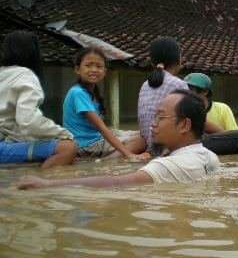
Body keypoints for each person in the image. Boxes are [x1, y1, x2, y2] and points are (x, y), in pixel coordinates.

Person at [17, 90, 220, 190]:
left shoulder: (168, 166)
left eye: (160, 117)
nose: (153, 124)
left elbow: (116, 182)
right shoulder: (210, 156)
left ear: (184, 125)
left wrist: (46, 184)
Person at [0, 31, 76, 168]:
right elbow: (28, 122)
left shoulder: (3, 73)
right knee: (67, 147)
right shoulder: (26, 76)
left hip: (6, 142)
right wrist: (64, 133)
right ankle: (39, 182)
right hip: (2, 148)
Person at [63, 48, 147, 160]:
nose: (94, 70)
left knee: (142, 133)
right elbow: (101, 127)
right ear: (77, 69)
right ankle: (105, 161)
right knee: (143, 141)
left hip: (93, 138)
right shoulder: (78, 93)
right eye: (88, 65)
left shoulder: (89, 92)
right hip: (86, 145)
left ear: (105, 71)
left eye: (98, 66)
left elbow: (100, 128)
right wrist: (129, 154)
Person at [138, 37, 189, 155]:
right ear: (178, 60)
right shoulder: (179, 84)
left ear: (152, 62)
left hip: (150, 145)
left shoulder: (145, 85)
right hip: (168, 147)